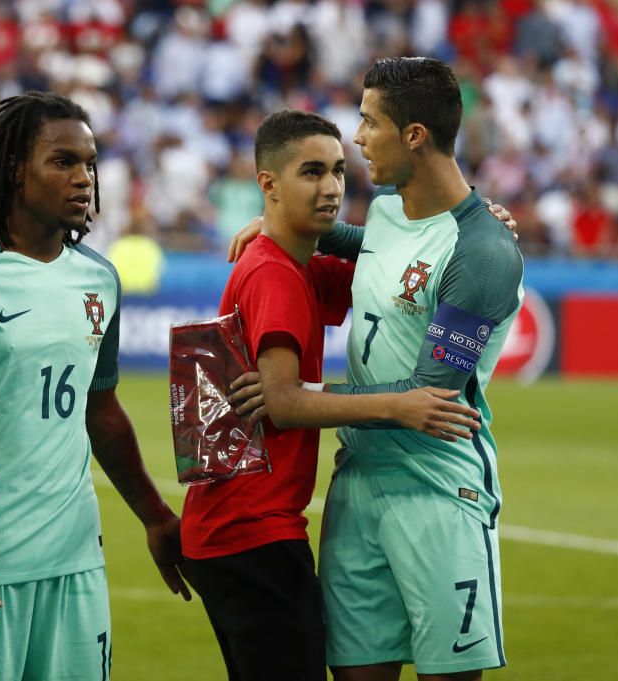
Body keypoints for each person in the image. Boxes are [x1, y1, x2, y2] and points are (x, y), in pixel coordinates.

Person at [180, 109, 484, 681]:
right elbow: (286, 401)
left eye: (340, 172)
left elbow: (404, 269)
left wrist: (477, 224)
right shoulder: (274, 274)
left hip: (234, 527)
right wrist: (401, 405)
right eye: (312, 172)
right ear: (268, 184)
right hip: (253, 530)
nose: (331, 189)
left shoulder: (295, 267)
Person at [0, 91, 189, 681]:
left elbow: (102, 411)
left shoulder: (99, 278)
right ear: (15, 170)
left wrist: (155, 516)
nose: (84, 179)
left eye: (90, 163)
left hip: (75, 555)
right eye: (64, 162)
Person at [313, 58, 522, 681]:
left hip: (438, 491)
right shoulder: (384, 212)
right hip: (357, 484)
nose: (357, 136)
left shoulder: (482, 253)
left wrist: (299, 400)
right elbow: (370, 245)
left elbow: (430, 395)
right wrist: (286, 229)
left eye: (368, 122)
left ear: (414, 135)